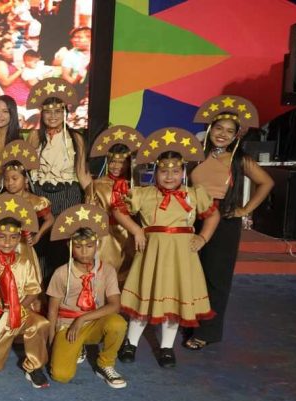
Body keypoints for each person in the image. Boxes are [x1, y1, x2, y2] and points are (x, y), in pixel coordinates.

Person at [113, 128, 220, 368]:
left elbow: (213, 217)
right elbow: (118, 211)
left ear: (183, 172)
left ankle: (166, 347)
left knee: (174, 301)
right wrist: (137, 230)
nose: (169, 176)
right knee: (144, 298)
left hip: (181, 257)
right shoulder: (144, 194)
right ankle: (130, 342)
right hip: (152, 255)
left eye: (175, 171)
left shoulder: (193, 195)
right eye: (163, 171)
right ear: (156, 171)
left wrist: (202, 238)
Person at [186, 96, 274, 349]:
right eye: (218, 128)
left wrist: (244, 209)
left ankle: (206, 332)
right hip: (193, 216)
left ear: (237, 135)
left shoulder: (239, 160)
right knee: (193, 273)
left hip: (224, 220)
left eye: (229, 131)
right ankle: (189, 322)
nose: (222, 134)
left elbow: (266, 182)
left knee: (216, 277)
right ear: (210, 128)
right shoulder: (195, 153)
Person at [0, 193, 52, 388]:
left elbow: (33, 291)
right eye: (2, 237)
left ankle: (34, 367)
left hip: (18, 313)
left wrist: (18, 309)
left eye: (13, 238)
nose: (7, 242)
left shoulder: (24, 263)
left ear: (19, 239)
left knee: (39, 323)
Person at [46, 204, 128, 389]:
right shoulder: (61, 273)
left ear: (96, 246)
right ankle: (77, 347)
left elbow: (115, 306)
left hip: (92, 321)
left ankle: (105, 364)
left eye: (89, 246)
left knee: (118, 322)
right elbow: (52, 311)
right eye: (79, 247)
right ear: (70, 247)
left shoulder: (107, 270)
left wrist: (82, 319)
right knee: (60, 376)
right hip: (68, 325)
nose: (84, 252)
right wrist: (50, 344)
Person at [25, 78, 89, 280]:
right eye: (48, 111)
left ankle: (62, 297)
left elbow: (82, 172)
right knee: (40, 246)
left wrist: (92, 197)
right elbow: (27, 172)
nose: (53, 116)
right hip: (41, 195)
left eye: (58, 111)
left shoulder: (75, 138)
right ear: (41, 113)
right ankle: (40, 297)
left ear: (65, 113)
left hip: (68, 194)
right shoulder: (34, 137)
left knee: (64, 245)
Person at [83, 125, 144, 284]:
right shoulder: (96, 185)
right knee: (105, 271)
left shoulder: (134, 185)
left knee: (129, 272)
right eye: (113, 162)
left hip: (129, 234)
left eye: (122, 162)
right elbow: (88, 214)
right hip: (105, 236)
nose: (117, 166)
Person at [0, 140, 54, 282]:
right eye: (6, 179)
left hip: (24, 247)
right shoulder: (0, 200)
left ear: (25, 179)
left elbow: (50, 219)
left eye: (14, 178)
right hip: (2, 246)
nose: (10, 183)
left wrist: (38, 236)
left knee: (25, 278)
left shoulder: (35, 200)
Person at [0, 37, 30, 108]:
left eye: (12, 48)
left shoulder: (7, 62)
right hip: (16, 94)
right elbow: (5, 82)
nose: (12, 51)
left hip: (22, 91)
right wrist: (21, 70)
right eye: (8, 48)